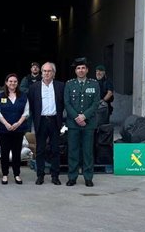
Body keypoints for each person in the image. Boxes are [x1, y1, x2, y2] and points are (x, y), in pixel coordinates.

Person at [64, 57, 101, 187]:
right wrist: (77, 117)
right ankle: (72, 177)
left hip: (89, 123)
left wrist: (84, 116)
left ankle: (88, 177)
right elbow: (67, 103)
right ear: (75, 70)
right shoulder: (69, 84)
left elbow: (96, 103)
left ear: (87, 70)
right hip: (73, 123)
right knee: (73, 151)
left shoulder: (94, 84)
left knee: (87, 151)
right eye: (78, 68)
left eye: (83, 68)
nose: (81, 70)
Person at [27, 62, 65, 185]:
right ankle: (40, 175)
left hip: (55, 120)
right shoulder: (34, 87)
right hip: (41, 121)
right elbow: (31, 105)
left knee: (55, 149)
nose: (46, 73)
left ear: (53, 73)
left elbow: (63, 103)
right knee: (40, 150)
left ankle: (55, 176)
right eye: (44, 71)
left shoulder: (60, 86)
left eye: (49, 71)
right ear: (41, 73)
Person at [0, 73, 30, 185]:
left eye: (15, 81)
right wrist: (6, 124)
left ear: (17, 83)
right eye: (10, 81)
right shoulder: (0, 96)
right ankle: (4, 174)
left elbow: (26, 112)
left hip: (18, 129)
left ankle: (17, 174)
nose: (12, 83)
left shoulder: (23, 96)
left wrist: (18, 123)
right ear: (6, 83)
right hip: (4, 129)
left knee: (16, 152)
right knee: (4, 152)